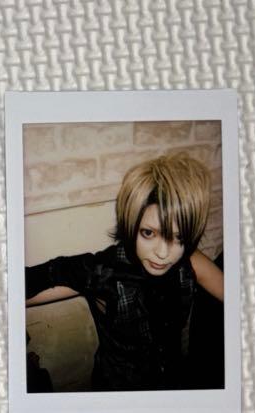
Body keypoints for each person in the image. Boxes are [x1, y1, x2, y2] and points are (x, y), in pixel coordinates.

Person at [25, 152, 224, 391]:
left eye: (178, 237)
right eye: (149, 233)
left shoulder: (189, 261)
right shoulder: (104, 272)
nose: (163, 253)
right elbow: (17, 287)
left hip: (173, 383)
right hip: (118, 392)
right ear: (131, 224)